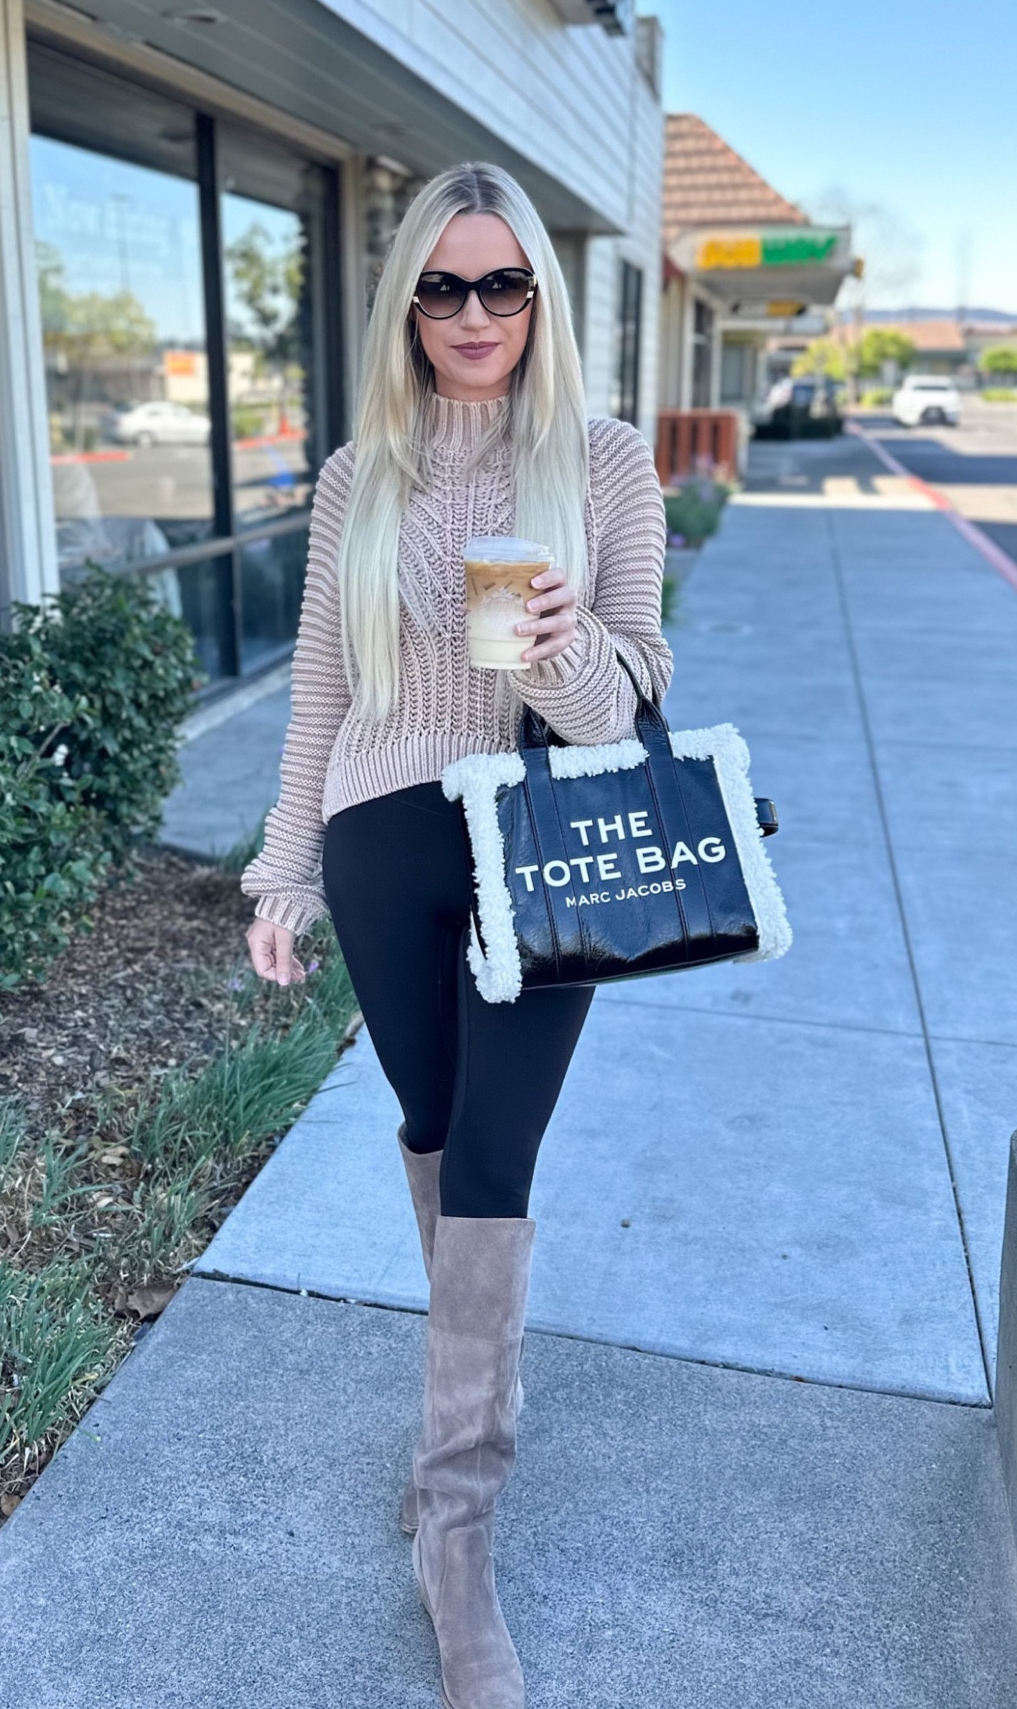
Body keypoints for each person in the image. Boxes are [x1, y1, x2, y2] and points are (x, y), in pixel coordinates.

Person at [242, 161, 670, 1708]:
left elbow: (631, 694)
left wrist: (560, 652)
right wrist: (285, 874)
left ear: (538, 302)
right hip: (383, 837)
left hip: (544, 843)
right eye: (442, 285)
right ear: (405, 304)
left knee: (496, 1159)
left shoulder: (604, 460)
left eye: (502, 285)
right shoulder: (362, 473)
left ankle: (457, 1532)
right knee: (431, 1127)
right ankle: (464, 1426)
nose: (472, 313)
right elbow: (315, 691)